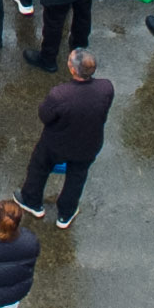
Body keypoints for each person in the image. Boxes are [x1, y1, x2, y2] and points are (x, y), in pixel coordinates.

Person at [20, 50, 107, 227]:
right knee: (77, 176)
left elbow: (45, 115)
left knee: (39, 166)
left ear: (73, 70)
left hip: (57, 144)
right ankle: (66, 213)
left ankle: (32, 201)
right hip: (88, 144)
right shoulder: (106, 88)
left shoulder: (60, 94)